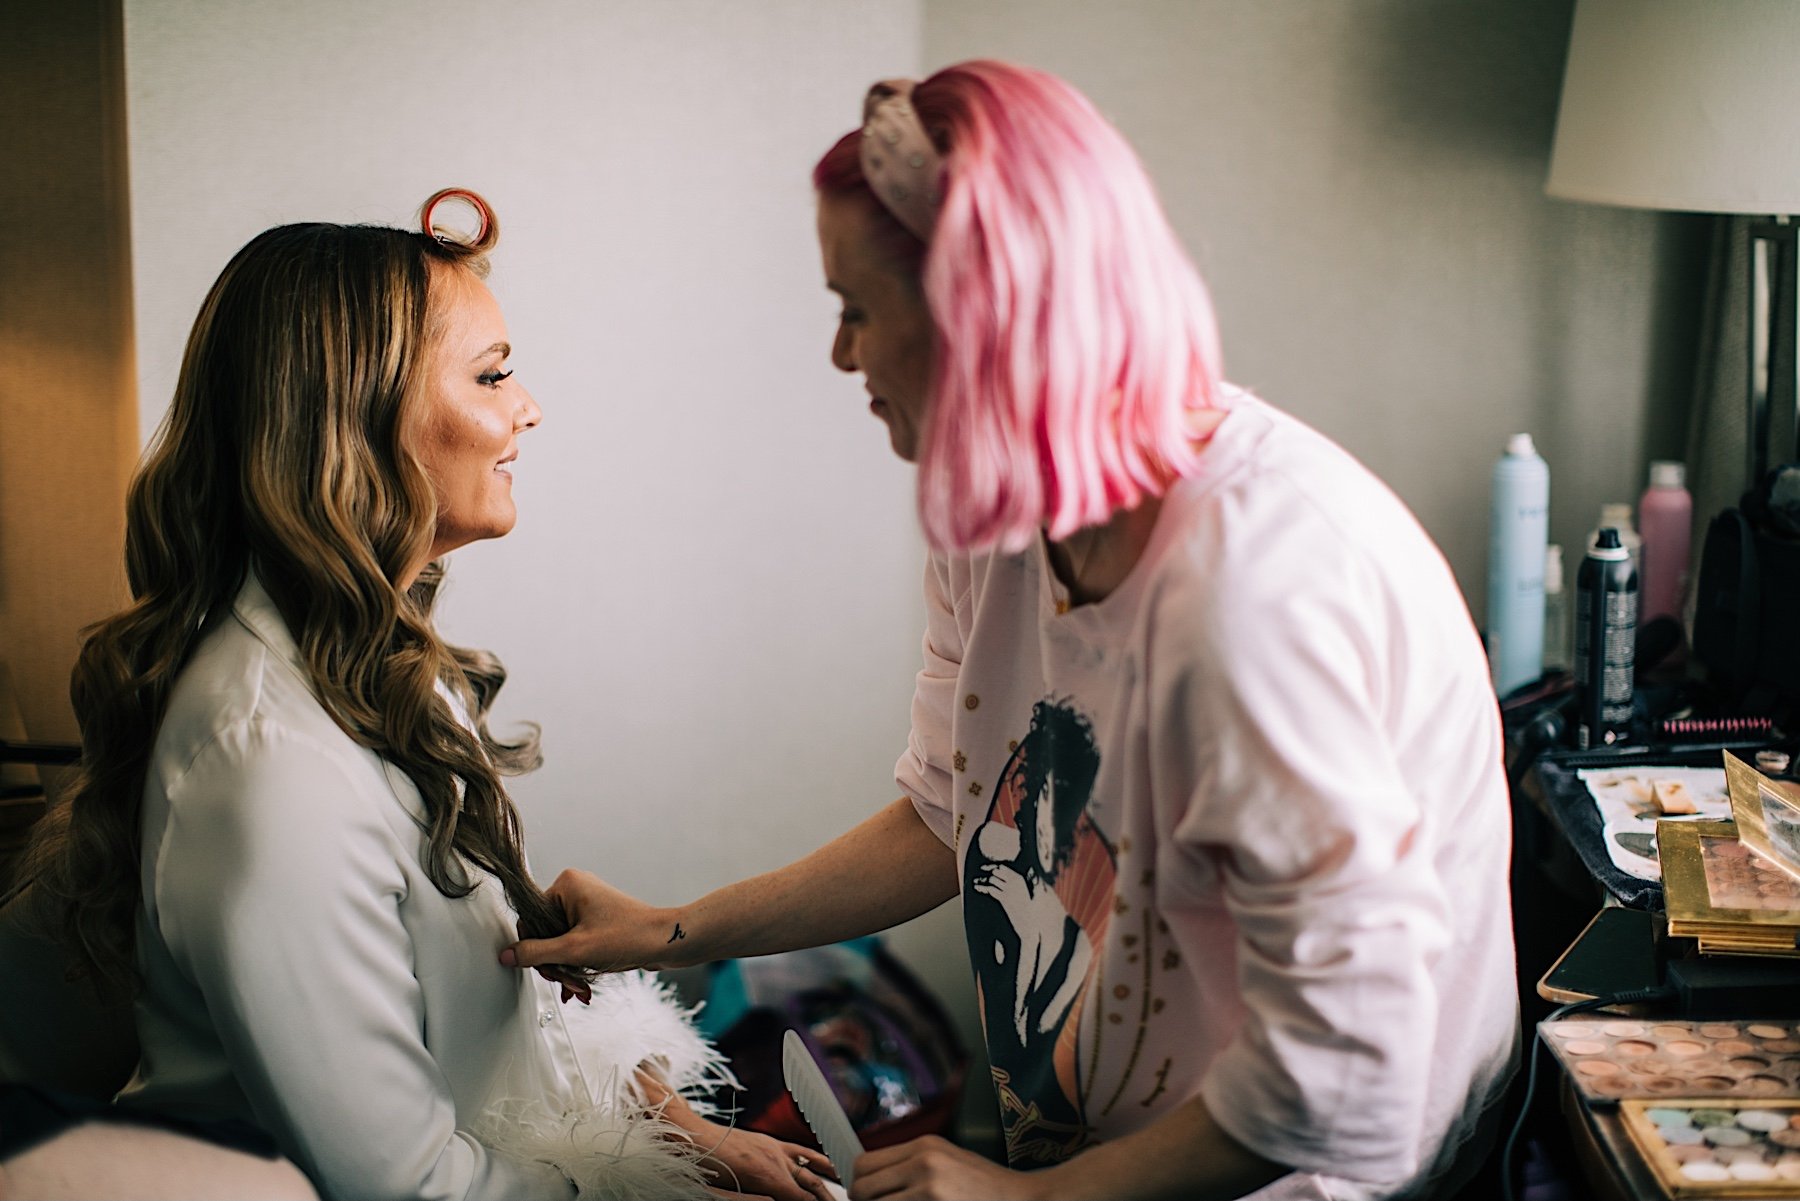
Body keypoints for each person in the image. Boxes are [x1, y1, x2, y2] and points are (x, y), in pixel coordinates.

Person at [505, 61, 1518, 1201]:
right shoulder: (998, 513)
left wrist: (1025, 1198)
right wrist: (672, 931)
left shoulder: (1256, 595)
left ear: (978, 328)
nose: (842, 355)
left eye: (855, 309)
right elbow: (952, 812)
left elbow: (1345, 1075)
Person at [14, 189, 834, 1201]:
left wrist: (678, 1129)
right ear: (353, 417)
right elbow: (406, 1187)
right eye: (492, 374)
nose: (529, 406)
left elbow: (496, 1029)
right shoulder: (272, 771)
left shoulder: (383, 668)